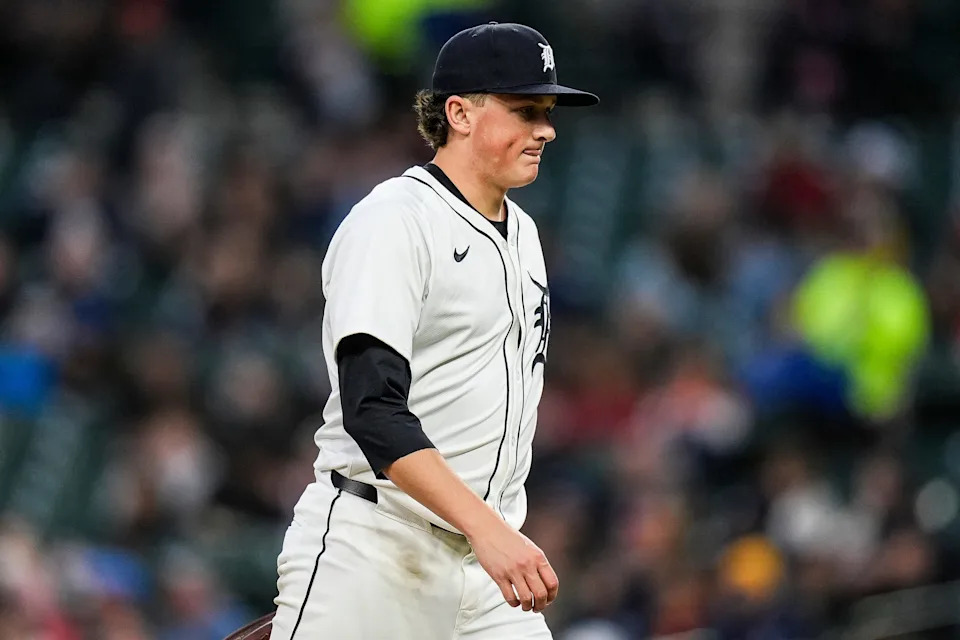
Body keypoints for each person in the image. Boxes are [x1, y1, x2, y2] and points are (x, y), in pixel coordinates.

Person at [269, 21, 598, 640]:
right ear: (460, 113)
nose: (546, 129)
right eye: (526, 110)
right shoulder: (395, 221)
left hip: (486, 568)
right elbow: (374, 411)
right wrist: (487, 527)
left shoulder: (525, 235)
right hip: (375, 549)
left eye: (548, 112)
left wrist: (490, 530)